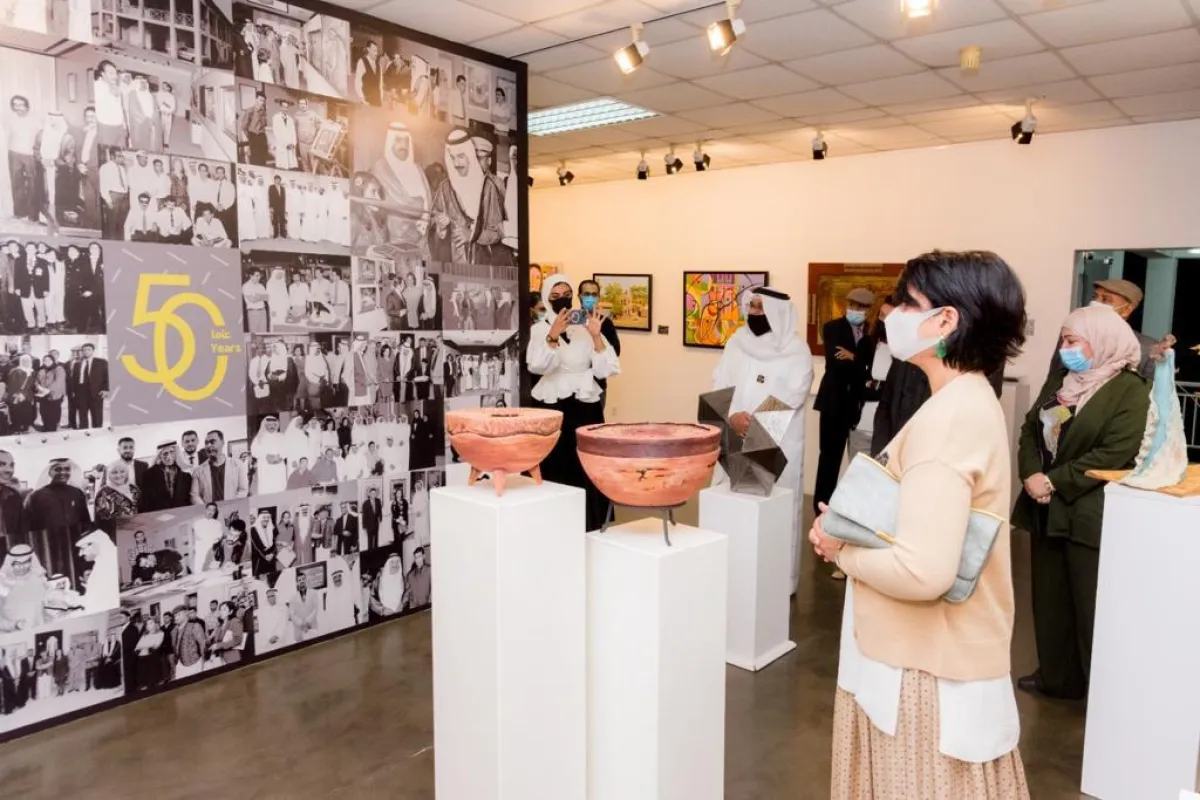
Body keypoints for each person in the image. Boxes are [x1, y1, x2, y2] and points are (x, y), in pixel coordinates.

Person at [807, 251, 1031, 799]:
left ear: (945, 320)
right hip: (929, 657)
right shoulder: (968, 398)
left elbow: (924, 570)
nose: (892, 314)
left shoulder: (948, 420)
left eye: (908, 304)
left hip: (921, 670)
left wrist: (840, 550)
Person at [1013, 305, 1150, 702]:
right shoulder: (1062, 379)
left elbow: (1115, 451)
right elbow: (1030, 428)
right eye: (1064, 340)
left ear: (1102, 341)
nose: (1065, 349)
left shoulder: (1129, 389)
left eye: (1073, 341)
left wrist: (1053, 481)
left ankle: (1100, 692)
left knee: (1090, 605)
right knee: (1049, 599)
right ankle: (1057, 677)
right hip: (1044, 506)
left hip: (1086, 510)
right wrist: (1031, 474)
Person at [710, 286, 814, 594]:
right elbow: (719, 381)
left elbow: (794, 393)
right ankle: (729, 576)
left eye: (761, 307)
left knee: (771, 512)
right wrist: (732, 416)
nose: (754, 313)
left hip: (774, 441)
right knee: (731, 506)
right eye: (752, 307)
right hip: (732, 436)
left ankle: (778, 585)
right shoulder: (736, 342)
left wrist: (754, 421)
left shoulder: (796, 351)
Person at [526, 274, 620, 531]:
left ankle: (590, 525)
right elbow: (538, 365)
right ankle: (554, 527)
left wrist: (596, 336)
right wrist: (553, 334)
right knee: (556, 464)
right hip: (552, 405)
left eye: (567, 294)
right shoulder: (539, 329)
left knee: (586, 464)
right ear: (546, 298)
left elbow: (607, 368)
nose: (562, 300)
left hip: (584, 404)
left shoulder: (586, 326)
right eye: (555, 296)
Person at [813, 287, 874, 522]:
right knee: (829, 460)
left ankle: (852, 513)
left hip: (856, 407)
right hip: (833, 404)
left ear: (868, 309)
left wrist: (854, 358)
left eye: (860, 307)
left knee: (859, 462)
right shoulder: (832, 328)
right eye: (852, 305)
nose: (854, 310)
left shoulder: (870, 336)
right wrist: (860, 364)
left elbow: (868, 370)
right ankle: (820, 509)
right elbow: (836, 363)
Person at [1047, 278, 1156, 380]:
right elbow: (1053, 379)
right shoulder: (1073, 336)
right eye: (1095, 297)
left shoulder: (1147, 349)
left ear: (1127, 310)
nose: (1096, 303)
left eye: (1106, 300)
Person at [190, 429, 248, 505]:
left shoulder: (238, 464)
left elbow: (243, 490)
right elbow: (194, 496)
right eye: (206, 443)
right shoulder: (198, 471)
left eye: (212, 442)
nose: (208, 446)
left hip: (232, 509)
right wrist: (207, 509)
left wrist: (230, 507)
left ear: (222, 443)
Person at [138, 442, 192, 512]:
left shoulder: (186, 476)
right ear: (160, 456)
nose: (169, 457)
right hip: (158, 516)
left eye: (171, 452)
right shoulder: (148, 475)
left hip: (181, 514)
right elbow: (145, 502)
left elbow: (188, 501)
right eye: (165, 453)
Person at [70, 341, 107, 428]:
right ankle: (83, 431)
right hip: (81, 392)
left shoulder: (101, 362)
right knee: (82, 415)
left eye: (88, 350)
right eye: (84, 350)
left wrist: (106, 389)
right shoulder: (77, 364)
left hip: (96, 392)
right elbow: (74, 379)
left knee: (97, 415)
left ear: (93, 351)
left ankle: (97, 432)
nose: (86, 351)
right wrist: (74, 391)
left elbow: (107, 376)